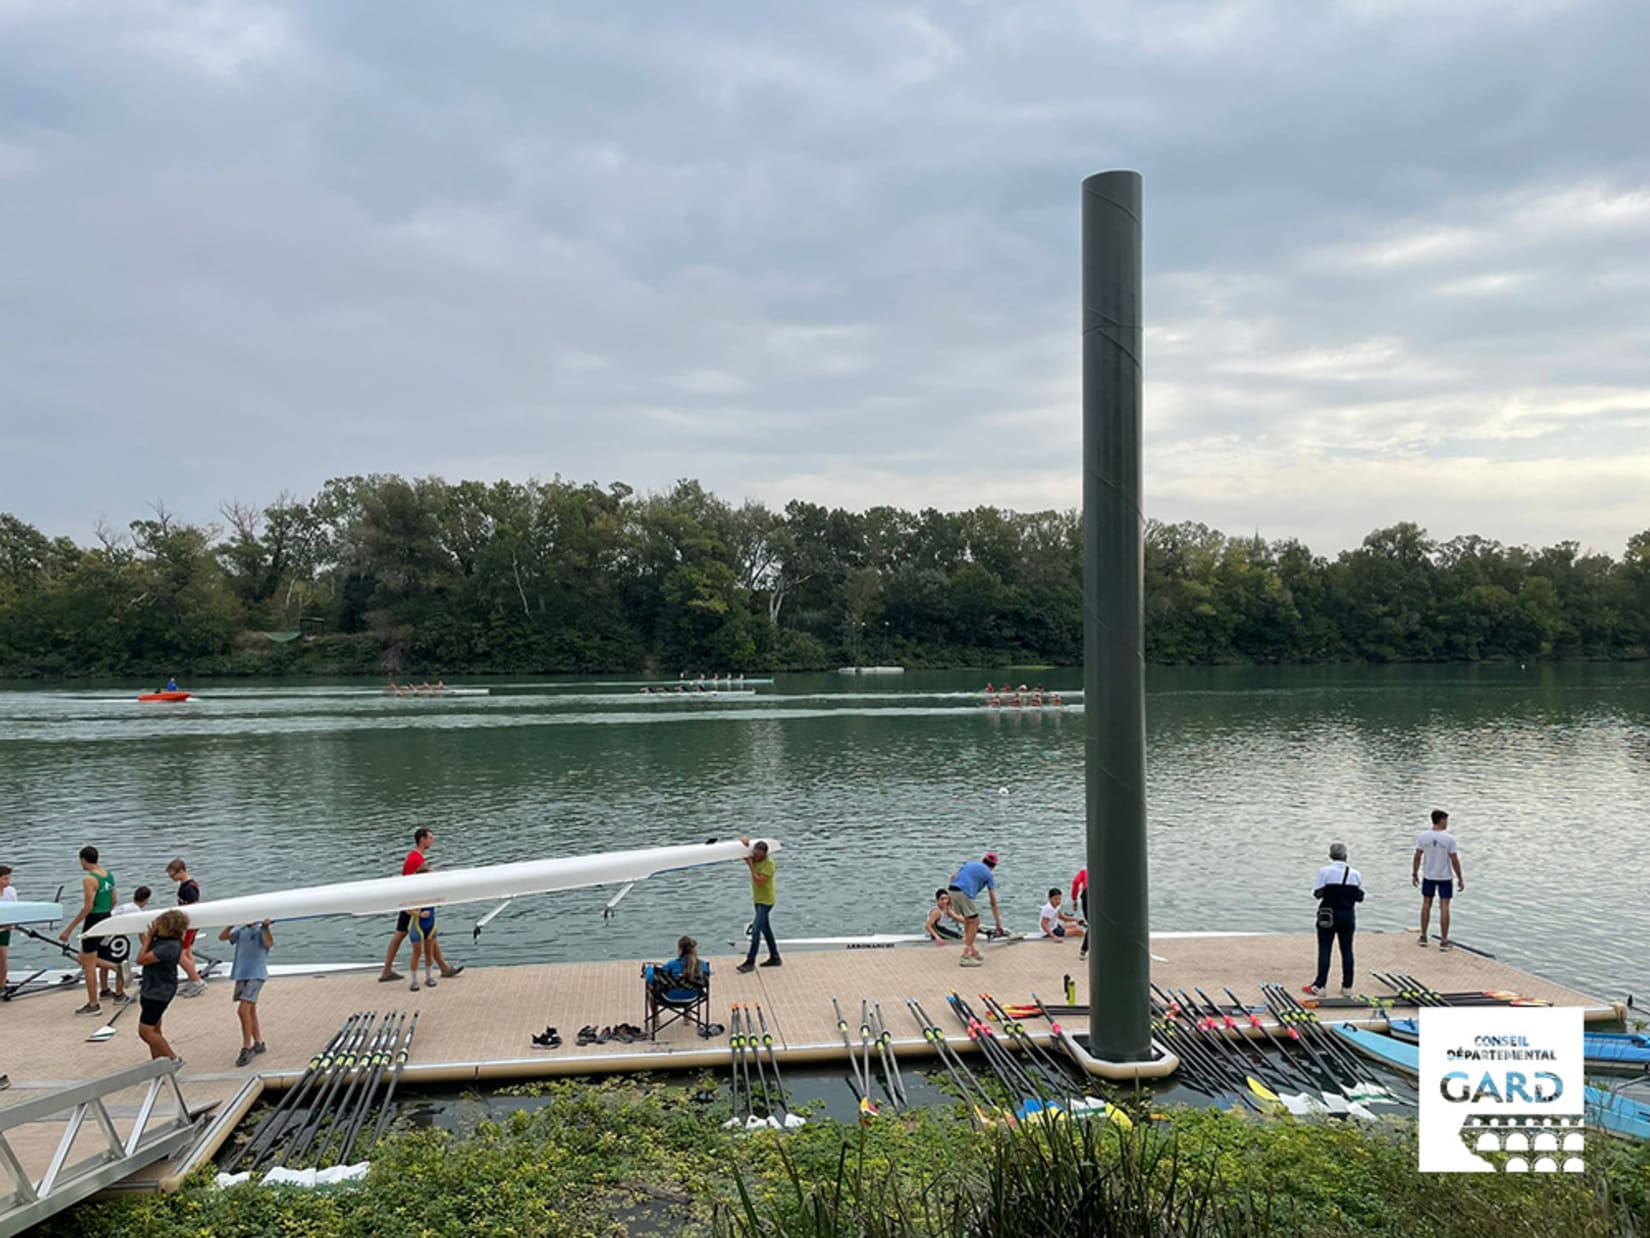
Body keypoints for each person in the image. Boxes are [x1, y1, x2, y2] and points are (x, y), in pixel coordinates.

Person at [59, 846, 116, 1016]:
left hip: (93, 919)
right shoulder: (109, 875)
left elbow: (88, 906)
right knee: (86, 958)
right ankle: (112, 975)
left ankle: (93, 1004)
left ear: (83, 860)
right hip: (106, 917)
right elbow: (114, 900)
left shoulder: (90, 879)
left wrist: (69, 929)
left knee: (88, 965)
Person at [1305, 843, 1365, 996]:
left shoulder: (1324, 871)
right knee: (1347, 950)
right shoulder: (1355, 874)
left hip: (1328, 915)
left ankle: (1320, 986)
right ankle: (1347, 986)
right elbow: (1360, 897)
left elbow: (1317, 894)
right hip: (1347, 915)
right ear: (1346, 856)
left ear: (1330, 855)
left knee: (1325, 949)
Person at [135, 909, 188, 1062]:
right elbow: (149, 949)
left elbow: (141, 959)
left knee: (145, 1031)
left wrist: (147, 940)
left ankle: (173, 1059)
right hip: (154, 987)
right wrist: (148, 938)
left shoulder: (169, 947)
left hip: (158, 991)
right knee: (155, 1029)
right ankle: (158, 1062)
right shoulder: (165, 941)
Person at [219, 919, 273, 1066]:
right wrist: (231, 923)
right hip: (242, 975)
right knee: (250, 1010)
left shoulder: (260, 930)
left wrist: (266, 927)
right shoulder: (241, 931)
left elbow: (269, 944)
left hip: (256, 975)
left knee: (243, 1010)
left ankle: (246, 1046)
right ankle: (258, 1042)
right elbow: (223, 937)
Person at [1413, 809, 1465, 949]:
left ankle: (1423, 936)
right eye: (1446, 820)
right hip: (1444, 877)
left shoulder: (1423, 837)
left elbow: (1418, 856)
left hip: (1429, 876)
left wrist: (1415, 873)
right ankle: (1443, 940)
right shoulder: (1449, 839)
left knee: (1426, 905)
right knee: (1444, 908)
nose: (1447, 823)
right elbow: (1454, 860)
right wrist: (1460, 877)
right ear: (1441, 820)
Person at [948, 851, 1004, 968]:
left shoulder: (969, 864)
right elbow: (993, 902)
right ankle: (966, 955)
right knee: (975, 921)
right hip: (964, 892)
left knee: (968, 920)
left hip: (952, 889)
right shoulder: (988, 874)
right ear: (994, 866)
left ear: (983, 860)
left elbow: (953, 877)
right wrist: (998, 924)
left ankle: (972, 949)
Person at [100, 885, 152, 1004]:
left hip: (102, 935)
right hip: (115, 938)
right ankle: (119, 995)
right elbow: (142, 935)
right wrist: (148, 950)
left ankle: (104, 990)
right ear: (146, 899)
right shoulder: (138, 912)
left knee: (105, 964)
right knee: (121, 964)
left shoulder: (125, 906)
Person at [735, 838, 779, 974]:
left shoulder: (769, 864)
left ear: (764, 854)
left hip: (766, 901)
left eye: (758, 855)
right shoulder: (756, 858)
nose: (755, 857)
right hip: (758, 899)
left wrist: (750, 866)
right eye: (755, 853)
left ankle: (750, 961)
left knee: (755, 931)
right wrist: (743, 840)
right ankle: (775, 957)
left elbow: (759, 880)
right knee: (766, 930)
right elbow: (744, 853)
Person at [166, 859, 209, 997]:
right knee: (187, 951)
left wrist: (184, 928)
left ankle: (197, 981)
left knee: (180, 954)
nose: (171, 878)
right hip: (188, 924)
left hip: (188, 925)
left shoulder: (188, 888)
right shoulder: (188, 885)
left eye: (173, 875)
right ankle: (193, 978)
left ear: (181, 871)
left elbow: (192, 908)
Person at [648, 935, 707, 1024]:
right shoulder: (703, 965)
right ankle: (687, 1014)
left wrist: (649, 969)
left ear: (680, 950)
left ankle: (655, 1016)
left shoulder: (672, 964)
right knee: (689, 986)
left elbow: (651, 978)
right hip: (693, 998)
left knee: (650, 987)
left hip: (669, 998)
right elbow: (706, 979)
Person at [0, 865, 15, 993]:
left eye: (8, 878)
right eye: (5, 879)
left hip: (4, 929)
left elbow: (14, 910)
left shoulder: (11, 891)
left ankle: (2, 984)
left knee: (3, 957)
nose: (8, 882)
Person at [1071, 867, 1090, 958]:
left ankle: (1084, 949)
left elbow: (1076, 882)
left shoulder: (1084, 871)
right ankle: (1084, 948)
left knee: (1091, 923)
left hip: (1086, 894)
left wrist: (1074, 899)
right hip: (1100, 893)